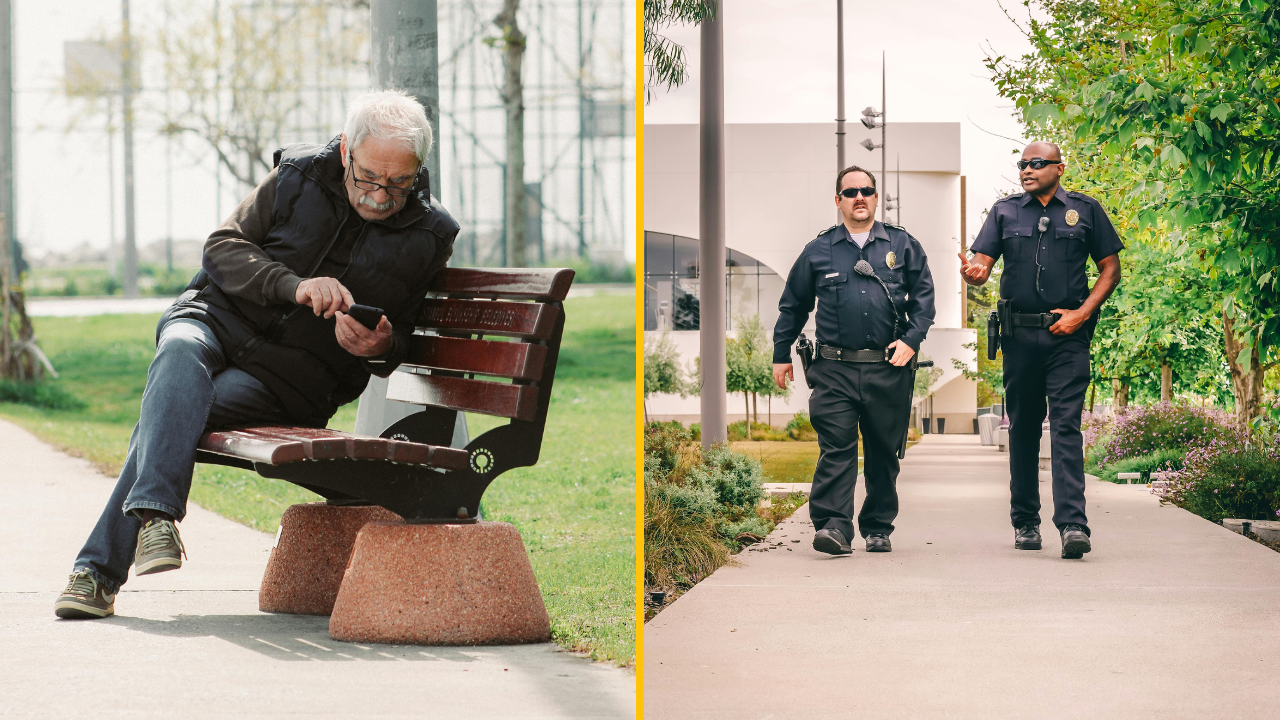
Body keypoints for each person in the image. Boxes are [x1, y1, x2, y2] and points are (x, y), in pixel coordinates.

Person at [54, 90, 459, 619]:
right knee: (178, 355)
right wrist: (292, 285)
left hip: (284, 382)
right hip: (211, 323)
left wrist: (382, 346)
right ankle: (146, 527)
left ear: (418, 171)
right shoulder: (297, 177)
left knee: (172, 410)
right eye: (369, 178)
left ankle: (101, 569)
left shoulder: (432, 234)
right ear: (346, 155)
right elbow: (223, 246)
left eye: (399, 184)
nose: (381, 197)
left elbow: (406, 336)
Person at [960, 141, 1123, 559]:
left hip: (1068, 336)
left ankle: (1073, 525)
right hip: (1019, 339)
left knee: (1066, 426)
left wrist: (1083, 314)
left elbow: (1110, 268)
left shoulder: (1085, 210)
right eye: (1022, 164)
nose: (1027, 170)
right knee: (1025, 428)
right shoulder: (1004, 211)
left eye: (1036, 164)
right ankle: (1026, 522)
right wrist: (974, 275)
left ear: (1059, 168)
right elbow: (981, 267)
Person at [772, 166, 936, 555]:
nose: (858, 197)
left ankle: (878, 527)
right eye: (850, 192)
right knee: (837, 446)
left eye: (866, 191)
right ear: (838, 201)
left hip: (888, 367)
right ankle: (833, 526)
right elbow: (793, 306)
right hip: (834, 369)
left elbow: (925, 301)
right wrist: (781, 354)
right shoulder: (818, 250)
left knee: (882, 452)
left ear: (876, 197)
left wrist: (911, 341)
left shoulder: (903, 245)